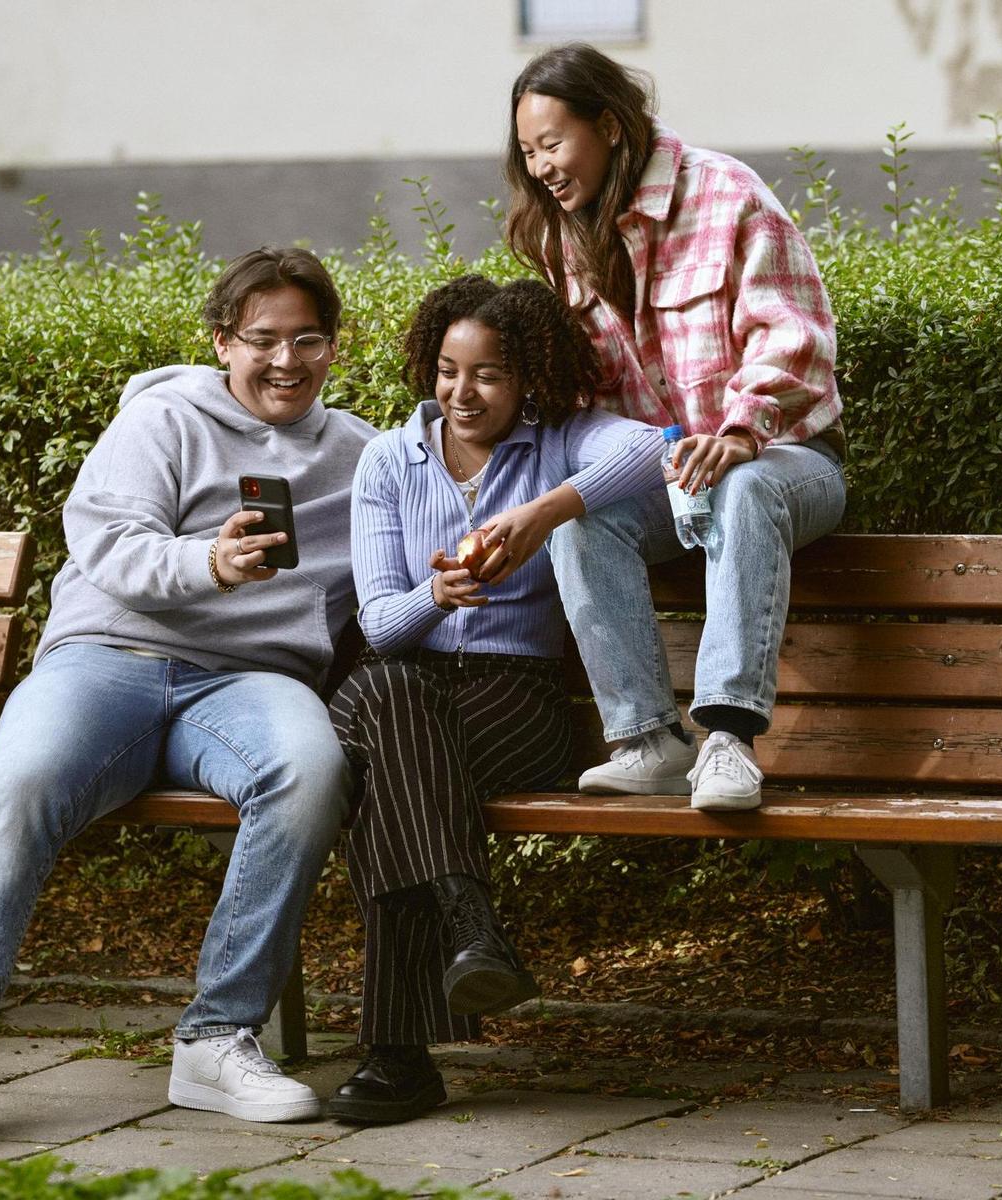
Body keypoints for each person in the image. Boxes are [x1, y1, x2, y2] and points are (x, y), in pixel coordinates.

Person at [0, 247, 379, 1152]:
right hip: (110, 657)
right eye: (263, 339)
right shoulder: (162, 419)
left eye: (308, 339)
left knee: (311, 772)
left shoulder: (360, 453)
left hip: (250, 682)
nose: (286, 361)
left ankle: (216, 1038)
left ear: (334, 347)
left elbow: (410, 549)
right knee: (21, 781)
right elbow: (108, 541)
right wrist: (209, 562)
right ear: (223, 341)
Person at [323, 275, 664, 1124]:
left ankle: (399, 1057)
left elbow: (659, 444)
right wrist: (433, 597)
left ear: (528, 380)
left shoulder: (559, 443)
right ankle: (469, 922)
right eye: (446, 371)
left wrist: (546, 515)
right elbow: (379, 624)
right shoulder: (388, 463)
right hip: (401, 680)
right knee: (398, 698)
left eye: (488, 375)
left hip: (515, 700)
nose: (461, 394)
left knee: (392, 780)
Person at [507, 43, 849, 813]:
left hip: (790, 460)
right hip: (673, 481)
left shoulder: (727, 195)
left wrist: (740, 430)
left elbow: (793, 335)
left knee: (747, 486)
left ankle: (728, 739)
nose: (542, 168)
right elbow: (593, 393)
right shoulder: (572, 238)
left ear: (612, 127)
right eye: (529, 153)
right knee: (580, 524)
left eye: (554, 143)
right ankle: (649, 741)